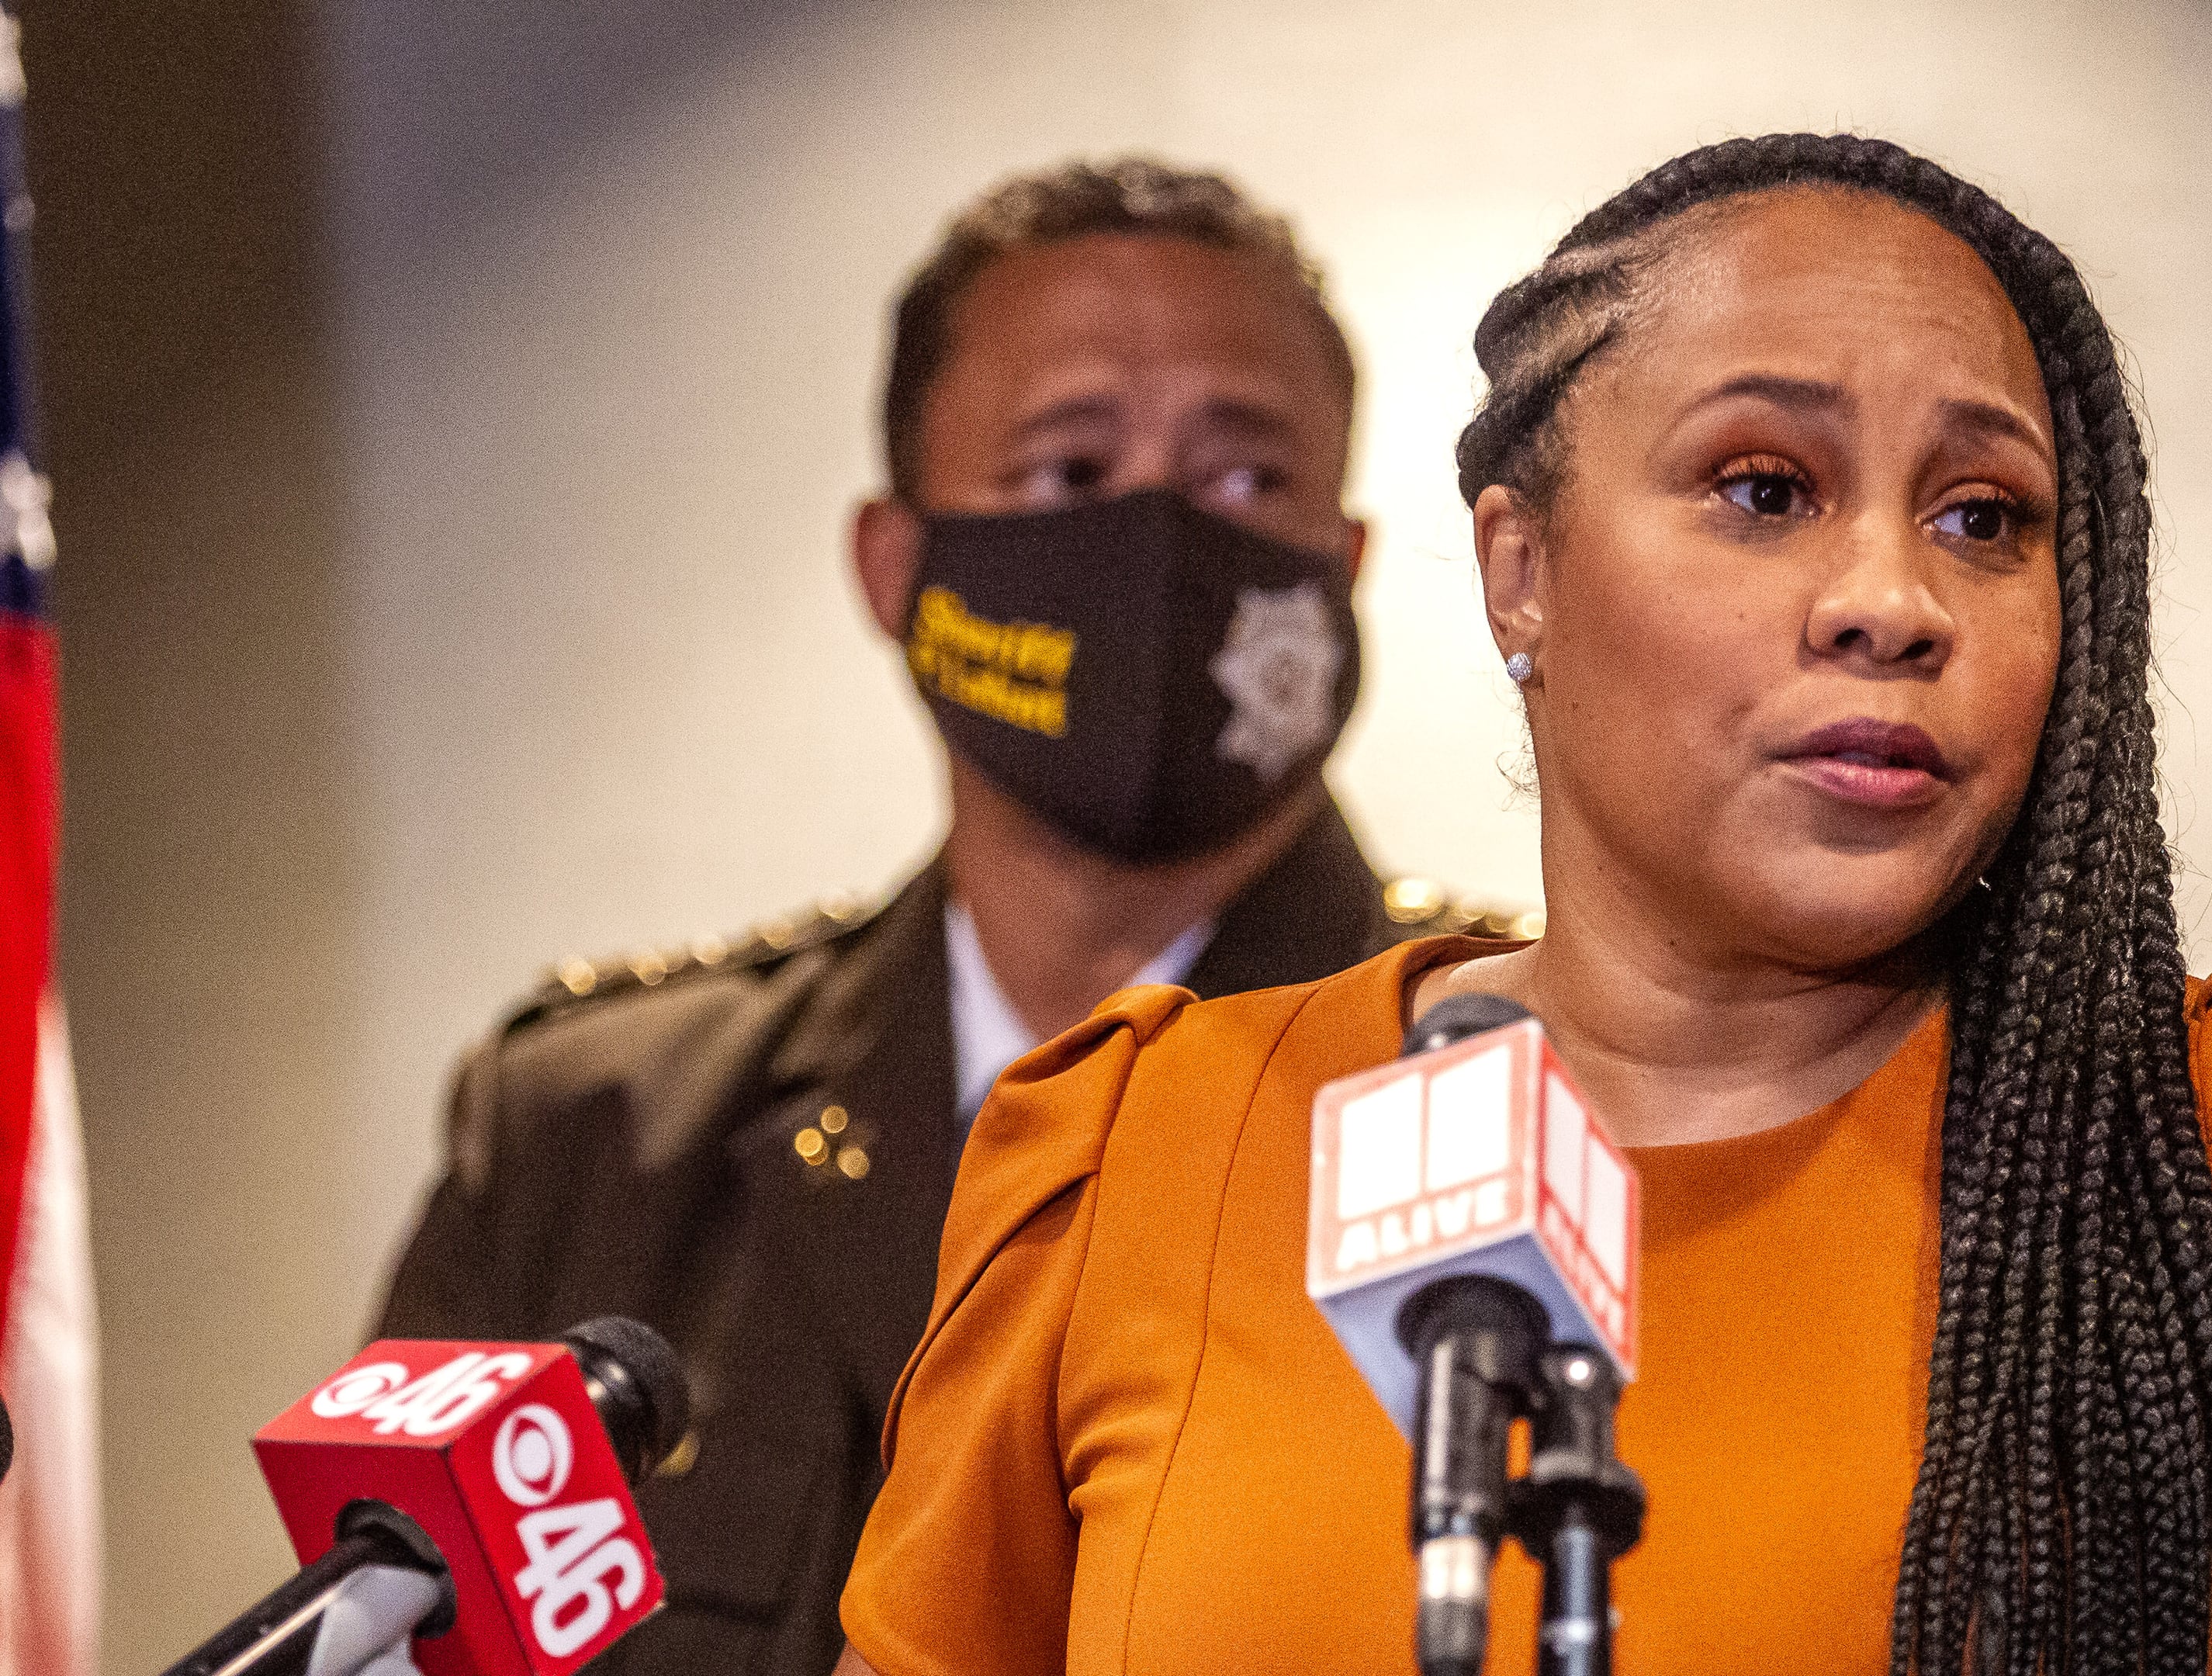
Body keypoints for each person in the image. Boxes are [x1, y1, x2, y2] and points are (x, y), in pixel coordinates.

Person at [833, 135, 2212, 1676]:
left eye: (1988, 518)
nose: (1888, 601)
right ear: (1521, 571)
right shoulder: (1142, 1145)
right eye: (1762, 490)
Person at [376, 159, 1516, 1676]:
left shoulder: (1516, 1100)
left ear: (1347, 566)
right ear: (896, 568)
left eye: (1249, 481)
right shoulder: (595, 1140)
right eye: (1067, 474)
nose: (1162, 546)